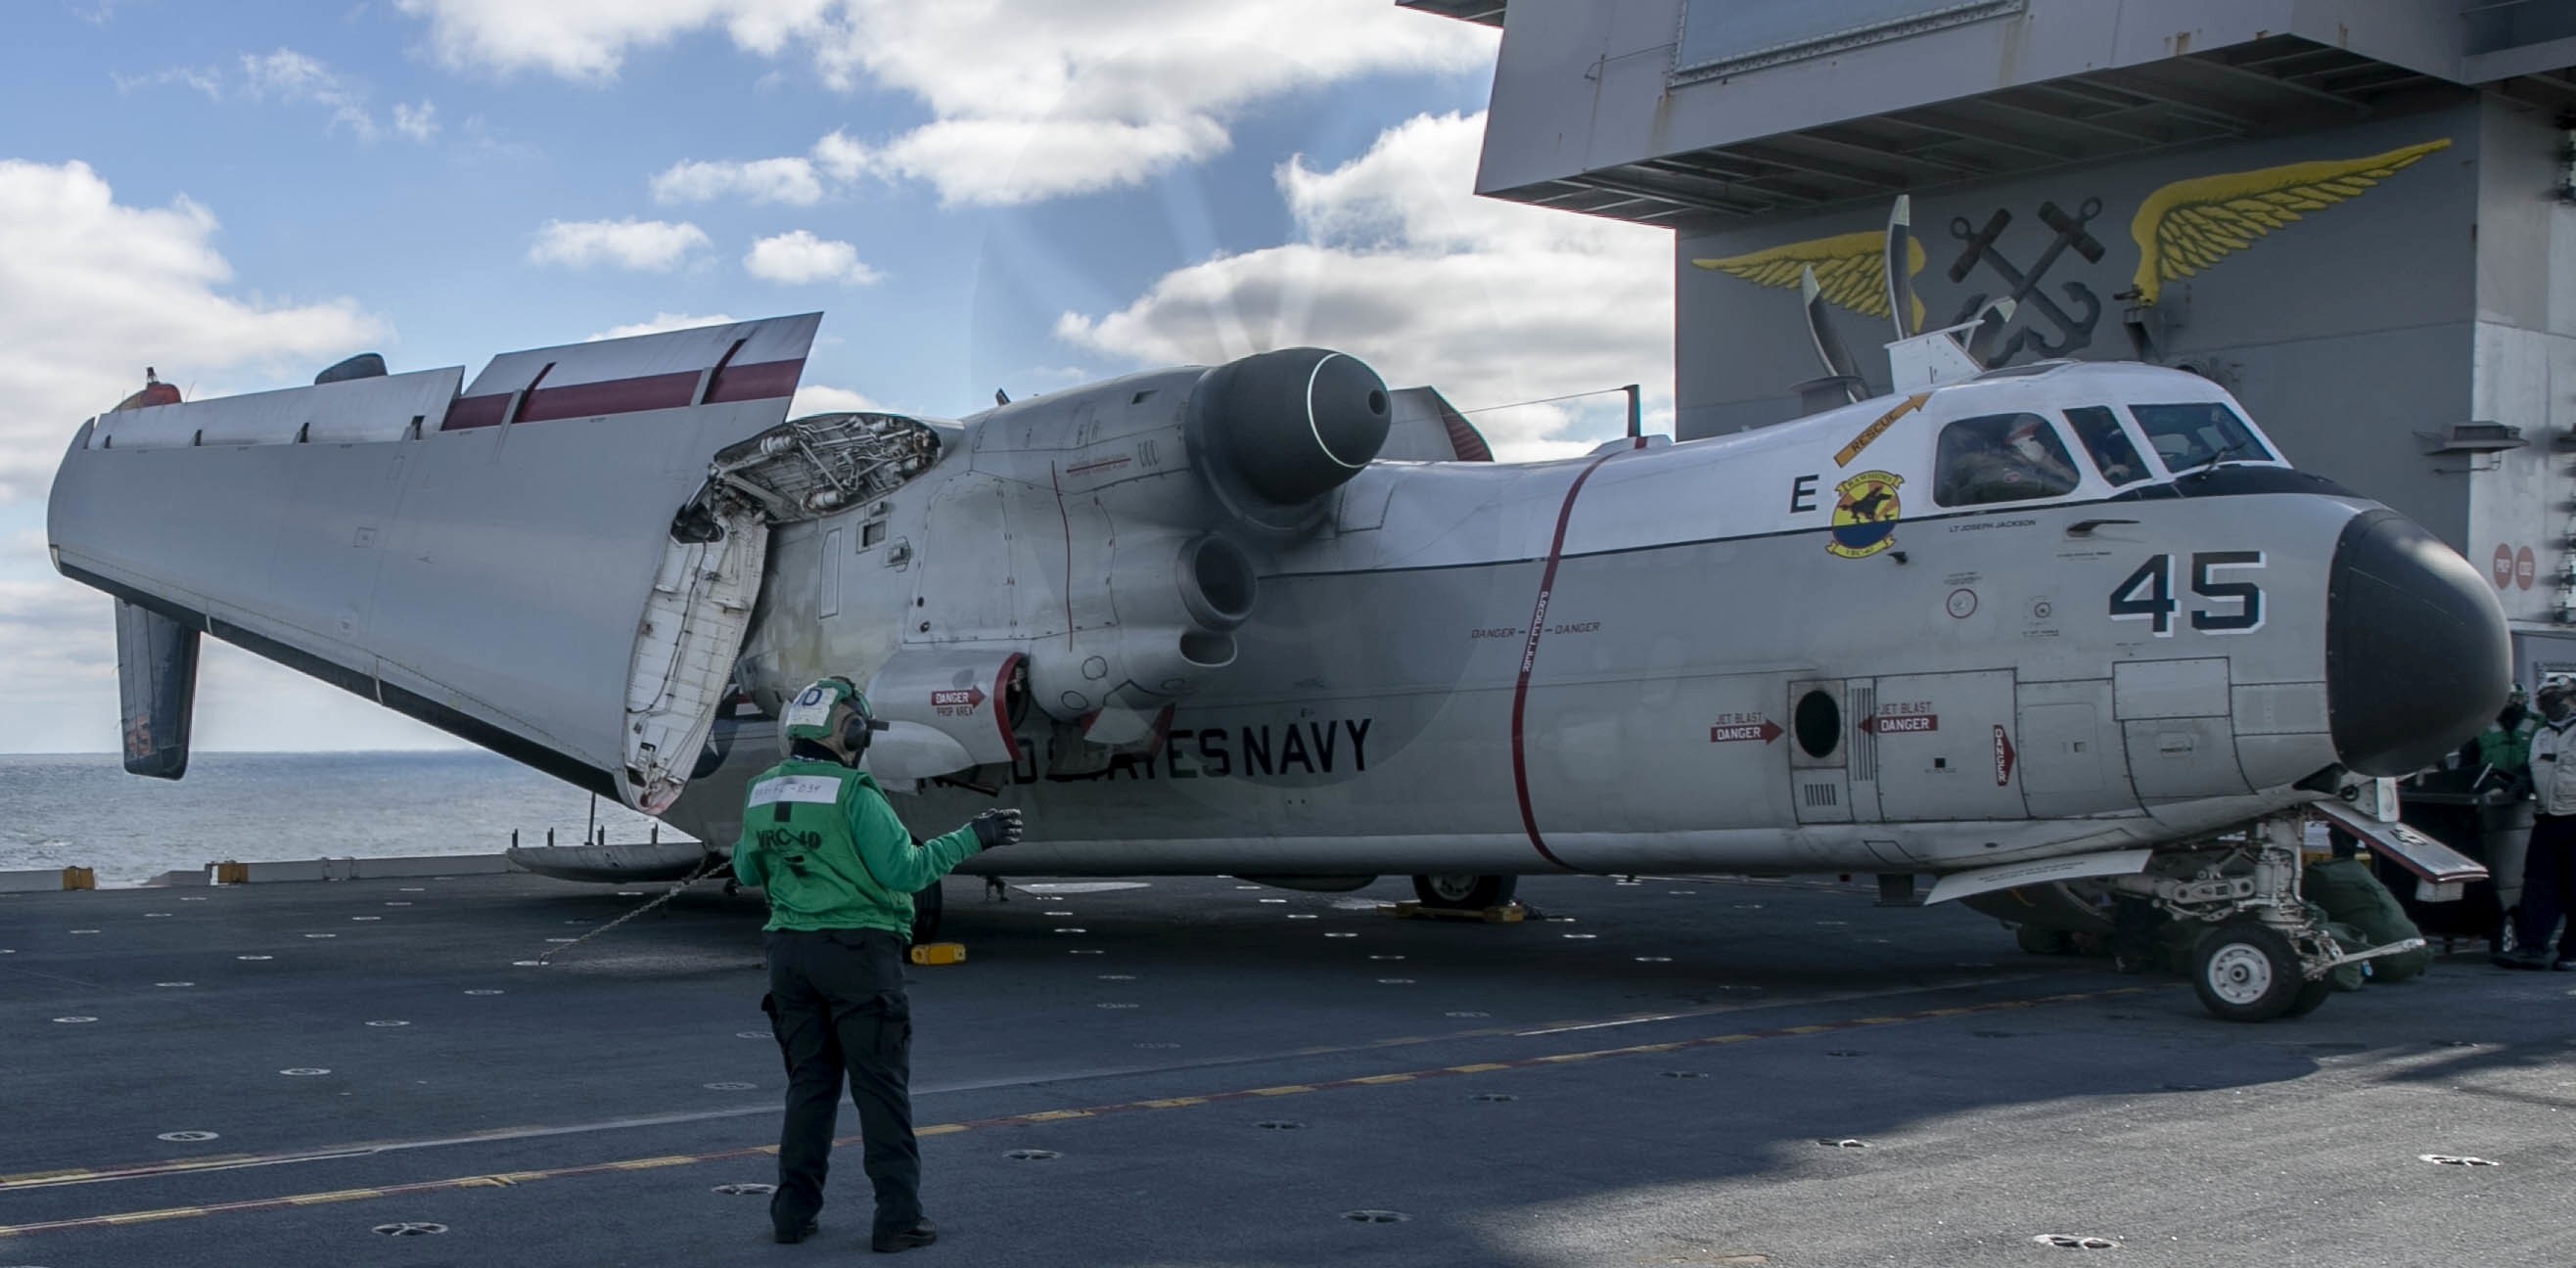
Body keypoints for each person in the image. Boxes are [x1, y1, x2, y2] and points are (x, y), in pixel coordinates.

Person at [733, 676, 1024, 1250]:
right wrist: (975, 836)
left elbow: (746, 870)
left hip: (789, 957)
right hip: (858, 956)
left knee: (809, 1087)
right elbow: (906, 871)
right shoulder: (854, 792)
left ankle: (792, 1215)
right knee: (880, 1090)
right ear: (852, 731)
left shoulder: (762, 791)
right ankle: (898, 1220)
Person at [2497, 678, 2576, 971]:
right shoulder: (2541, 734)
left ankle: (2571, 952)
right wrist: (2519, 784)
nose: (2549, 706)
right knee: (2539, 886)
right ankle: (2531, 947)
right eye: (2544, 701)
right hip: (2547, 820)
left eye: (2555, 699)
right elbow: (2532, 768)